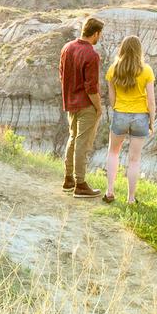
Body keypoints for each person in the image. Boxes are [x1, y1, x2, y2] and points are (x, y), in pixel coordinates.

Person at [102, 35, 156, 206]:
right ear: (139, 50)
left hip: (120, 114)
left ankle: (110, 191)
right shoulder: (146, 70)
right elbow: (151, 100)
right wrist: (151, 121)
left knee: (113, 152)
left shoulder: (113, 69)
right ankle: (131, 198)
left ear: (122, 49)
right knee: (134, 159)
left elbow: (112, 95)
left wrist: (116, 109)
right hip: (141, 116)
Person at [58, 16, 104, 197]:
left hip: (70, 102)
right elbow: (91, 87)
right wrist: (99, 107)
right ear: (96, 33)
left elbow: (61, 75)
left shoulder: (67, 48)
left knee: (72, 138)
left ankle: (68, 179)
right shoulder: (91, 54)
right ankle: (81, 184)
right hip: (86, 104)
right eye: (100, 35)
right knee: (82, 144)